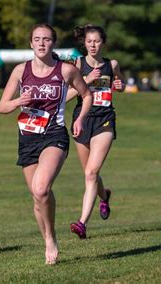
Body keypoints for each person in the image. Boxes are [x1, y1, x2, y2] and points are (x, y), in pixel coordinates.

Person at [0, 24, 92, 264]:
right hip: (27, 137)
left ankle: (50, 239)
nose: (41, 43)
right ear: (31, 43)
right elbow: (2, 107)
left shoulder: (66, 71)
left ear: (53, 43)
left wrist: (80, 118)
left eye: (46, 39)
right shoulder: (20, 71)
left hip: (54, 134)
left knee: (41, 188)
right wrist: (20, 99)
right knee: (38, 197)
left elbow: (87, 94)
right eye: (37, 39)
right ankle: (49, 237)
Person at [66, 25, 125, 239]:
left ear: (103, 43)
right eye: (89, 41)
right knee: (90, 173)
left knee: (91, 173)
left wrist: (119, 85)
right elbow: (66, 97)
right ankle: (104, 197)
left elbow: (119, 84)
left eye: (97, 41)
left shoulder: (112, 64)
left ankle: (82, 223)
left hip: (105, 121)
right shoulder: (78, 64)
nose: (93, 45)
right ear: (85, 43)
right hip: (82, 121)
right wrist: (86, 81)